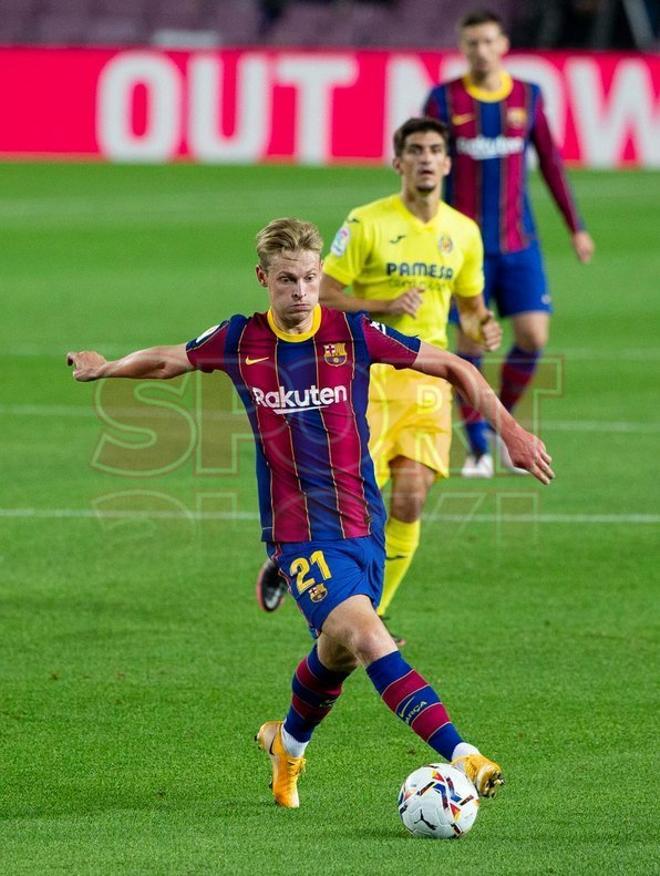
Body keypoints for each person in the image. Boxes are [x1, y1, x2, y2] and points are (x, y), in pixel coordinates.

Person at [67, 217, 554, 809]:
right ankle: (465, 757)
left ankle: (286, 744)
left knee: (336, 653)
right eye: (287, 280)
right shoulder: (240, 339)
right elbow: (170, 359)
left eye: (309, 278)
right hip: (297, 533)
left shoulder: (352, 333)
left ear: (320, 276)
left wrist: (511, 432)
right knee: (370, 637)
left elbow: (455, 365)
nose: (300, 291)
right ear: (263, 279)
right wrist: (108, 367)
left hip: (362, 523)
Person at [257, 117, 502, 640]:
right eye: (415, 150)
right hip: (363, 378)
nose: (426, 159)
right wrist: (384, 304)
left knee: (411, 496)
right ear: (399, 162)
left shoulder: (464, 233)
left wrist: (485, 325)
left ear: (448, 162)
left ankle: (375, 612)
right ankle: (290, 555)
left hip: (425, 383)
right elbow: (324, 292)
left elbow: (473, 305)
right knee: (353, 504)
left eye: (436, 149)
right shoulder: (366, 224)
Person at [423, 9, 595, 478]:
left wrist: (576, 227)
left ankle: (502, 424)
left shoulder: (528, 96)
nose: (480, 50)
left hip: (519, 242)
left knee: (533, 336)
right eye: (471, 42)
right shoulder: (443, 100)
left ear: (503, 45)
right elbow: (424, 169)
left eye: (487, 41)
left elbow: (553, 164)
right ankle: (477, 445)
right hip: (462, 249)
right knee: (469, 344)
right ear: (463, 47)